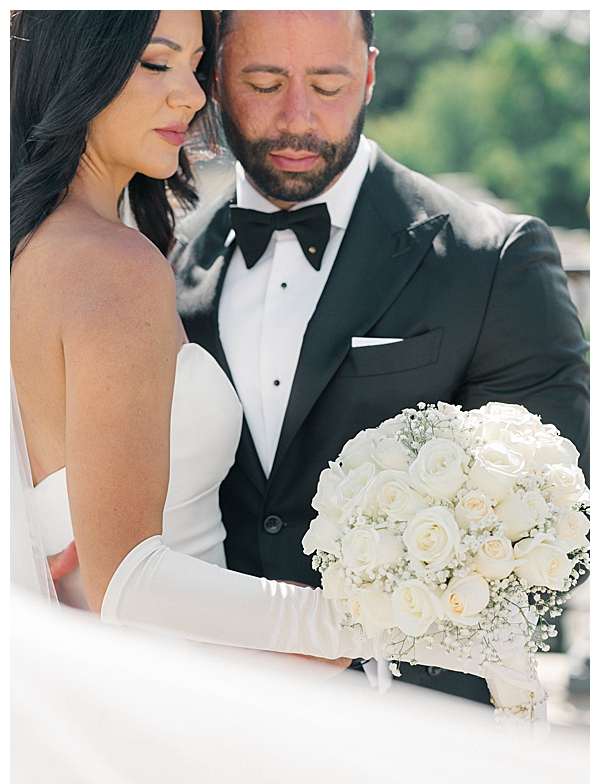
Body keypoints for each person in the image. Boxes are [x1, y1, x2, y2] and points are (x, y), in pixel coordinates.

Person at [9, 9, 547, 718]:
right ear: (74, 67)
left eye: (194, 65)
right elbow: (128, 586)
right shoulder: (113, 267)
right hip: (171, 716)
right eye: (155, 62)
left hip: (179, 694)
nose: (191, 96)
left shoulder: (39, 250)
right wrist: (397, 626)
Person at [174, 9, 590, 703]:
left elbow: (556, 527)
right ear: (215, 79)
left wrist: (355, 633)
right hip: (212, 724)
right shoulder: (166, 261)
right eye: (264, 81)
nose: (297, 117)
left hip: (415, 738)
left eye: (329, 84)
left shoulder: (494, 262)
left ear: (369, 74)